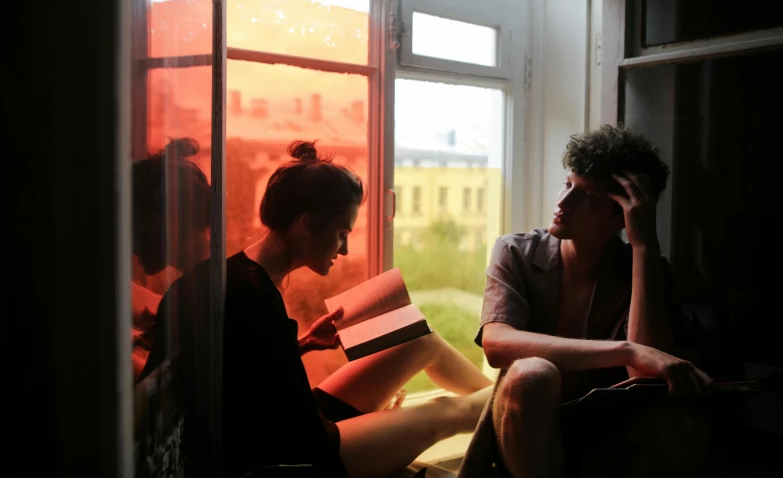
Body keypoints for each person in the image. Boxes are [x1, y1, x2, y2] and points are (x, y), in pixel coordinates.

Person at [141, 140, 493, 478]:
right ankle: (517, 401)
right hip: (296, 457)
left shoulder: (237, 272)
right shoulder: (254, 296)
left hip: (290, 424)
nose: (344, 250)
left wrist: (305, 343)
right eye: (342, 234)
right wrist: (375, 424)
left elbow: (242, 374)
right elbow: (297, 433)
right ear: (306, 224)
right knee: (443, 412)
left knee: (421, 342)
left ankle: (505, 409)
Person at [468, 125, 714, 478]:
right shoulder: (516, 251)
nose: (562, 202)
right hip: (525, 432)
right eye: (568, 184)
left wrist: (644, 246)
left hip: (607, 440)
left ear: (620, 214)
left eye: (586, 196)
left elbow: (646, 379)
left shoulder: (643, 269)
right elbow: (496, 344)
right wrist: (625, 350)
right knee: (531, 373)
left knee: (682, 421)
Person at [131, 137, 211, 380]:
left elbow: (156, 394)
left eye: (136, 220)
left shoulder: (190, 296)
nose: (131, 239)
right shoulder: (215, 281)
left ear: (171, 217)